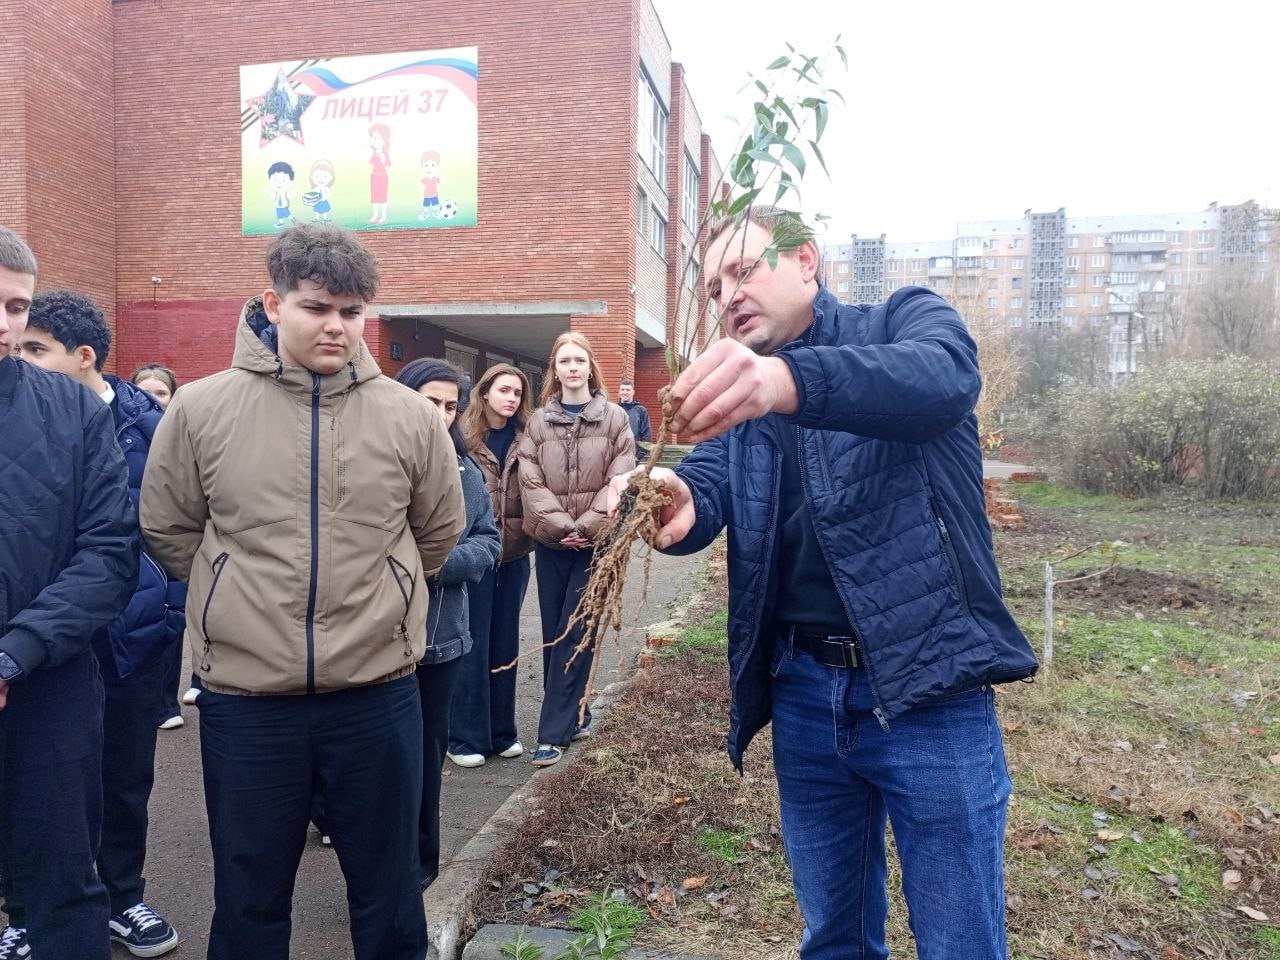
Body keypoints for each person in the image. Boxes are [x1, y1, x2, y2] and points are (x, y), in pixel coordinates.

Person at [611, 206, 1039, 960]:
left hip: (928, 689)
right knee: (833, 937)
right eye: (714, 288)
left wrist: (784, 381)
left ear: (806, 260)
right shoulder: (750, 398)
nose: (727, 295)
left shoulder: (900, 321)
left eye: (743, 271)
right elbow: (711, 479)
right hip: (807, 695)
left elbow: (943, 380)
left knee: (961, 940)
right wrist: (677, 499)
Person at [139, 223, 465, 960]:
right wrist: (238, 598)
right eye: (318, 307)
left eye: (352, 312)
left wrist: (384, 592)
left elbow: (438, 532)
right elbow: (169, 530)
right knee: (250, 902)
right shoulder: (198, 409)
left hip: (376, 693)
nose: (337, 327)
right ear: (274, 302)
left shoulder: (410, 417)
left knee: (388, 898)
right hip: (249, 704)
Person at [15, 291, 182, 956]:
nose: (19, 358)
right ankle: (33, 911)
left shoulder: (154, 426)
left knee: (124, 778)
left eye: (35, 348)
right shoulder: (23, 422)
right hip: (52, 642)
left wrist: (166, 604)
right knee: (45, 786)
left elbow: (176, 524)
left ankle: (123, 897)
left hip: (136, 636)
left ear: (83, 357)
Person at [0, 226, 139, 960]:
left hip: (48, 684)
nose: (4, 322)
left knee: (62, 885)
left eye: (17, 306)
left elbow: (110, 551)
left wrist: (14, 653)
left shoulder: (74, 411)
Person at [392, 358, 500, 888]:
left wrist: (434, 562)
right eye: (427, 402)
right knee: (376, 764)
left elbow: (488, 541)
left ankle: (418, 871)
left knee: (424, 759)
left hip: (439, 640)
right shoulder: (372, 462)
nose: (439, 414)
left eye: (449, 406)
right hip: (369, 644)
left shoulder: (467, 473)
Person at [518, 333, 634, 768]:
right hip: (550, 543)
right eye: (563, 360)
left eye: (578, 360)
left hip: (595, 545)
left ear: (590, 368)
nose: (571, 368)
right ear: (555, 369)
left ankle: (551, 733)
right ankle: (578, 711)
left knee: (576, 629)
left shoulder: (615, 419)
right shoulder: (537, 422)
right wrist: (562, 527)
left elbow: (620, 479)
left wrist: (586, 527)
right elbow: (530, 481)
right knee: (555, 633)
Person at [448, 363, 535, 767]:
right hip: (476, 556)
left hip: (515, 556)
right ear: (484, 393)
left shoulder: (527, 437)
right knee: (473, 644)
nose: (511, 398)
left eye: (517, 392)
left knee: (505, 643)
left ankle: (502, 732)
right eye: (503, 390)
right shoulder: (462, 437)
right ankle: (465, 738)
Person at [127, 364, 190, 732]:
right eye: (145, 390)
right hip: (135, 546)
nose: (153, 398)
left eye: (161, 392)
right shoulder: (121, 431)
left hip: (168, 547)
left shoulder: (181, 432)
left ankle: (168, 699)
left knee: (171, 621)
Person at [617, 377, 652, 461]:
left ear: (633, 392)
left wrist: (638, 456)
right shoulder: (614, 410)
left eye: (628, 390)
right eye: (622, 389)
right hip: (615, 458)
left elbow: (647, 435)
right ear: (619, 392)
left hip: (633, 458)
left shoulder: (641, 411)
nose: (625, 392)